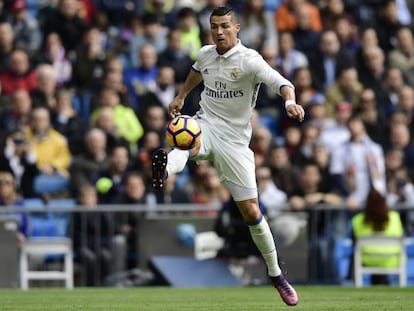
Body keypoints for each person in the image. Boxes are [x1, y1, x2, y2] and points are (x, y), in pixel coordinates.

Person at [151, 6, 304, 306]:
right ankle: (164, 169)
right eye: (213, 26)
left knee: (250, 211)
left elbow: (283, 83)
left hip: (235, 142)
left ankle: (276, 274)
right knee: (185, 138)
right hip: (206, 124)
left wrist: (290, 104)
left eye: (224, 26)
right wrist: (181, 96)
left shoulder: (250, 60)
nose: (218, 32)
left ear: (237, 28)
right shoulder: (206, 53)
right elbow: (196, 72)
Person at [351, 187, 404, 285]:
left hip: (367, 259)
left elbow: (354, 242)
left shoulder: (357, 220)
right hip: (391, 258)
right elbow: (400, 236)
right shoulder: (395, 217)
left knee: (354, 251)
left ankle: (351, 279)